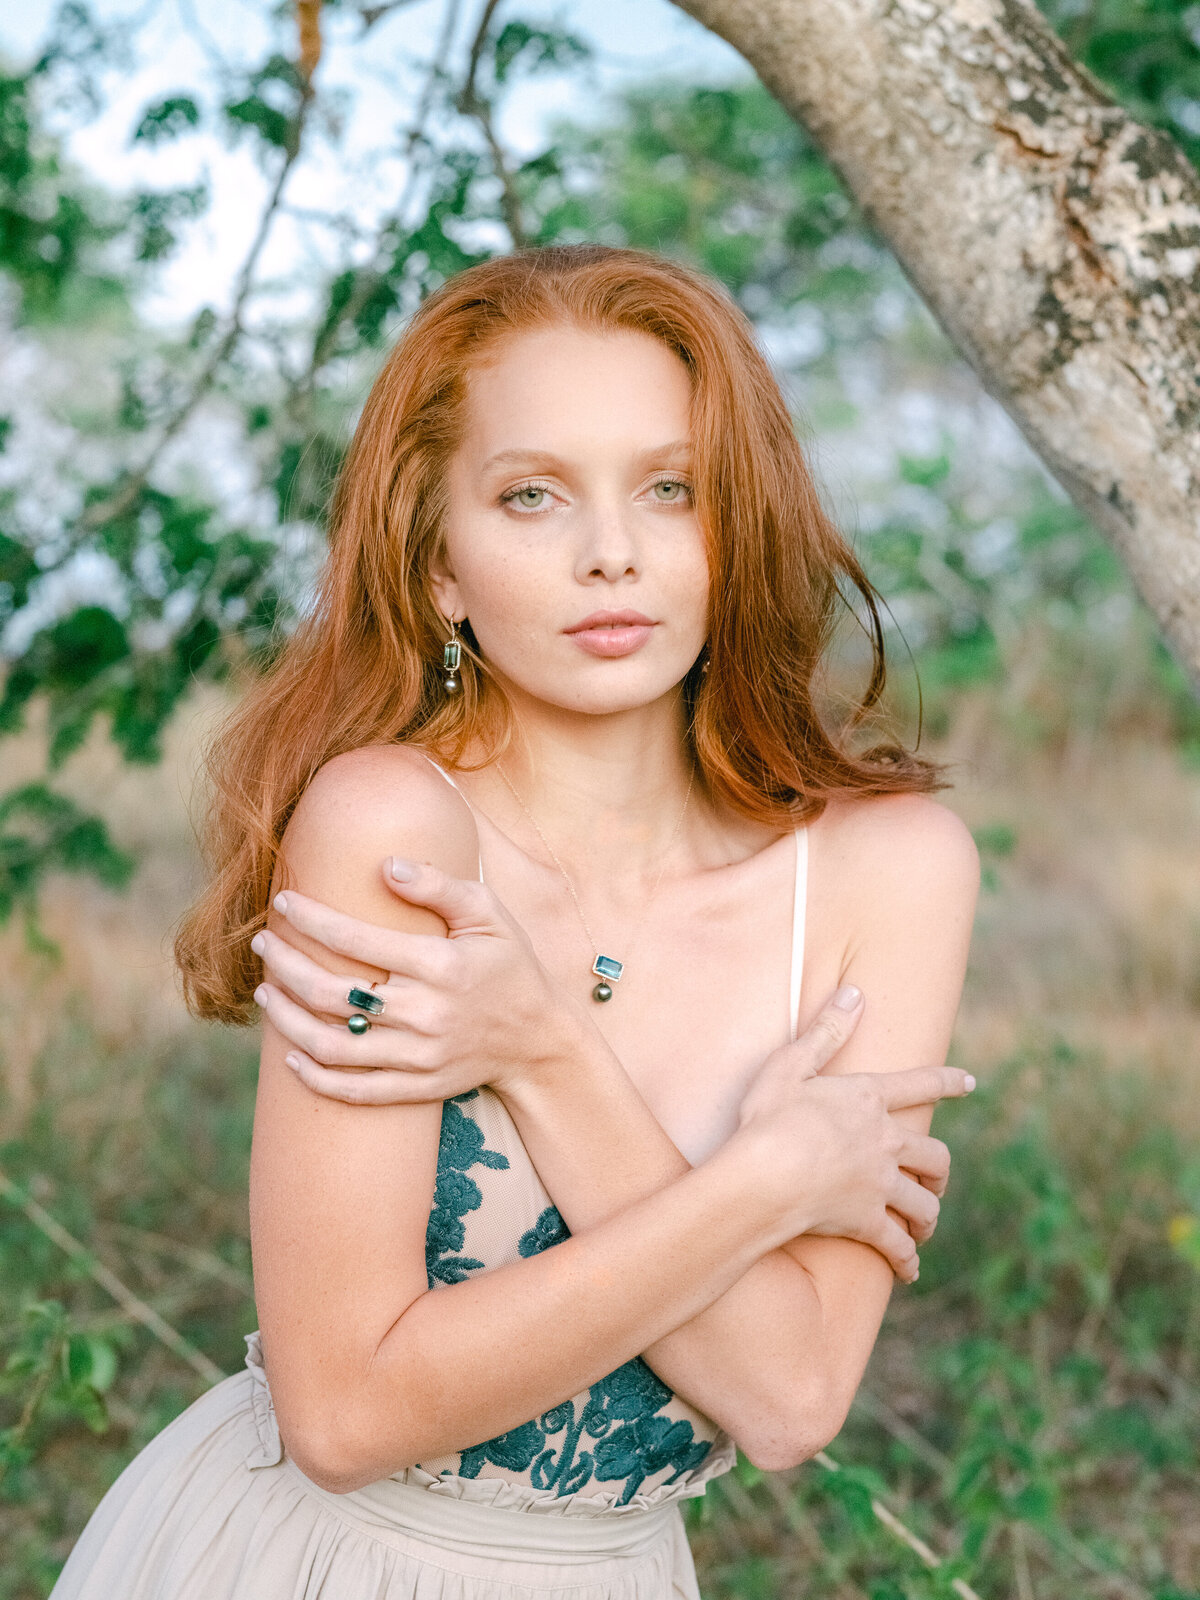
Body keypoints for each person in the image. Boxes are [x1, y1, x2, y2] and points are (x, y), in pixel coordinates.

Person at [49, 244, 980, 1599]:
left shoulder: (889, 870)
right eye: (532, 496)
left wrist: (539, 1050)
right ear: (438, 564)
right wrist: (769, 1182)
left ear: (740, 526)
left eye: (673, 489)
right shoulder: (393, 833)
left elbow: (789, 1399)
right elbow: (345, 1416)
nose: (613, 553)